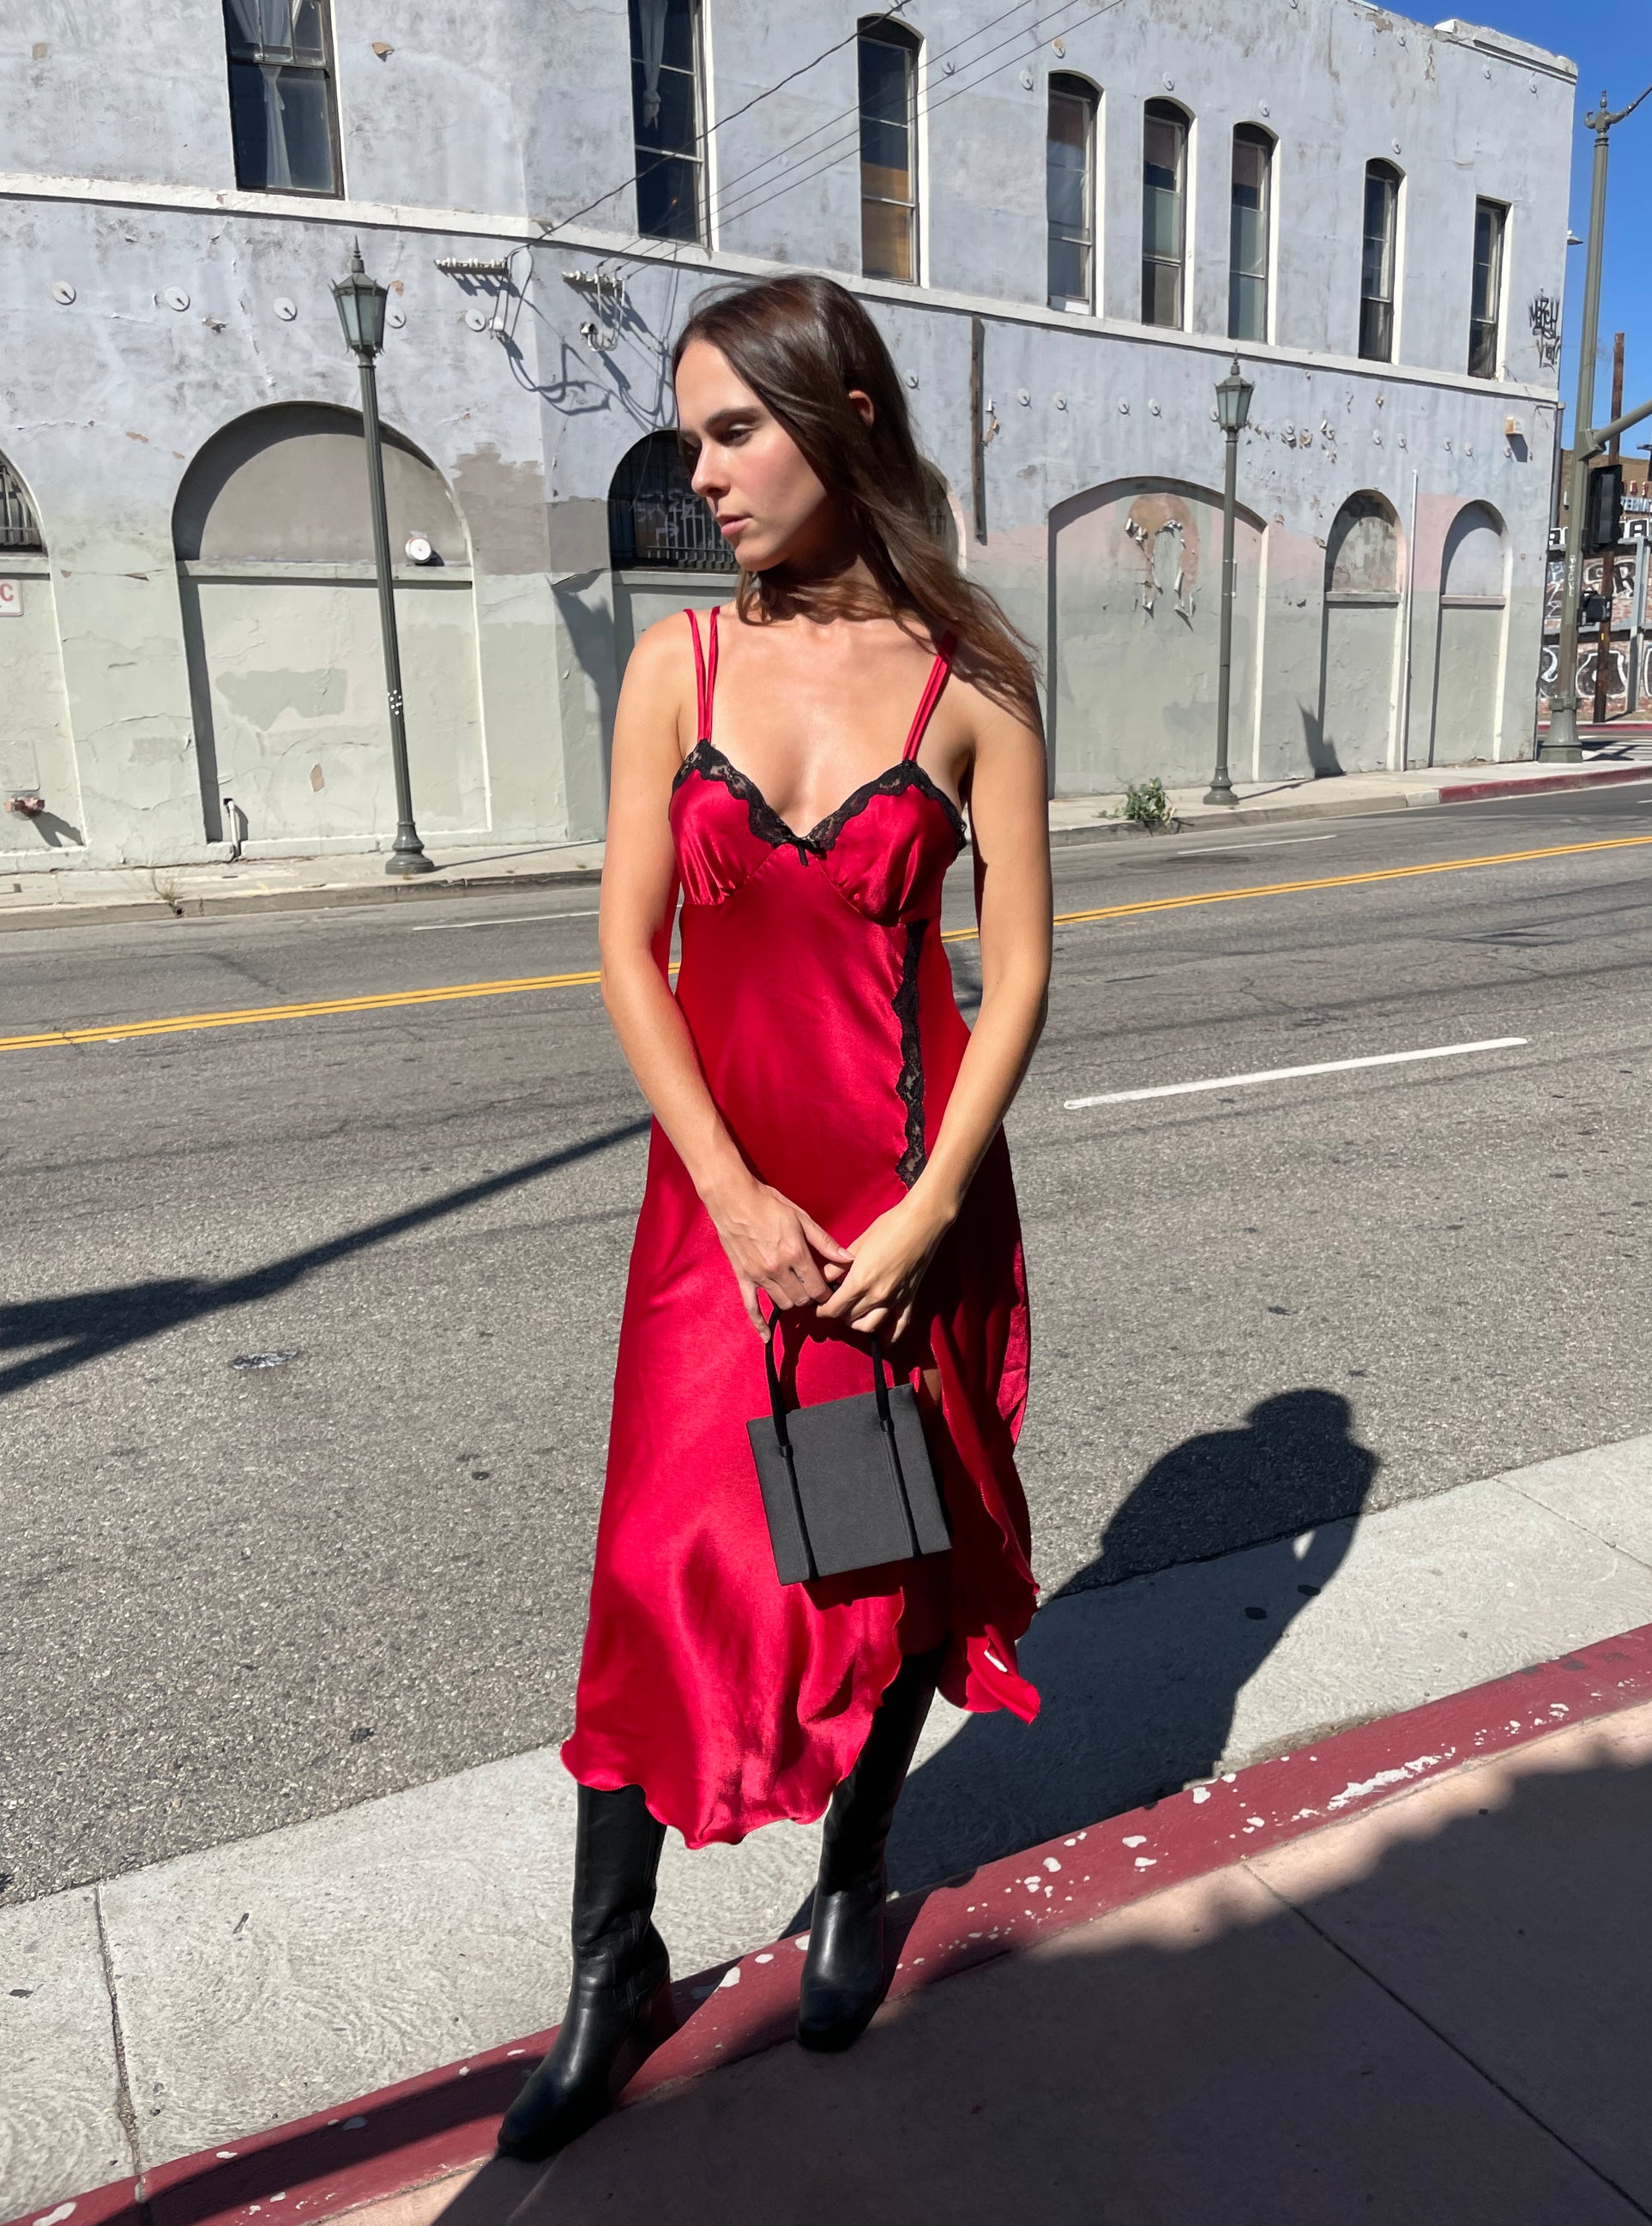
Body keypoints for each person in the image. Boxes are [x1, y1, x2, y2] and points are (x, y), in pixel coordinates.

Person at [497, 273, 1053, 2163]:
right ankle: (611, 1956)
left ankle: (853, 1871)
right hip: (716, 1220)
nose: (702, 469)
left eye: (735, 428)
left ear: (848, 423)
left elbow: (1023, 973)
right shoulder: (681, 666)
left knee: (871, 1565)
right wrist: (729, 1194)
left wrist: (922, 1217)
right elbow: (626, 951)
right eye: (693, 432)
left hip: (894, 1221)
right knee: (655, 1568)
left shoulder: (968, 686)